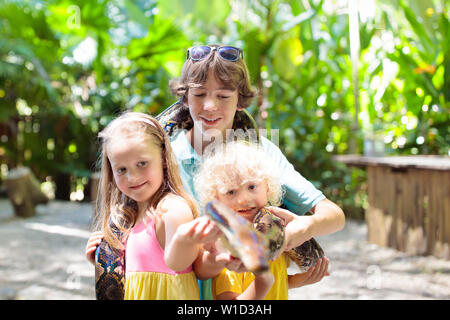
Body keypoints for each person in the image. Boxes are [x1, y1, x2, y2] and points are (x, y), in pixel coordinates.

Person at [166, 45, 345, 299]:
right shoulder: (164, 157)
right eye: (199, 94)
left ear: (240, 100)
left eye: (224, 96)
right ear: (185, 98)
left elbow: (334, 215)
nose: (209, 105)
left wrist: (305, 227)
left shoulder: (260, 152)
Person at [86, 112, 220, 300]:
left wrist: (186, 240)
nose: (132, 177)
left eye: (142, 163)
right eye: (121, 169)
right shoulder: (127, 217)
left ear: (164, 158)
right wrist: (103, 260)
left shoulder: (172, 209)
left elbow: (179, 263)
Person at [194, 141, 329, 299]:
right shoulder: (228, 245)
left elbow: (277, 280)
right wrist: (263, 281)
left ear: (267, 188)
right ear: (216, 198)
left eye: (251, 187)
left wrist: (298, 280)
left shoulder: (276, 229)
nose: (244, 199)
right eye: (231, 192)